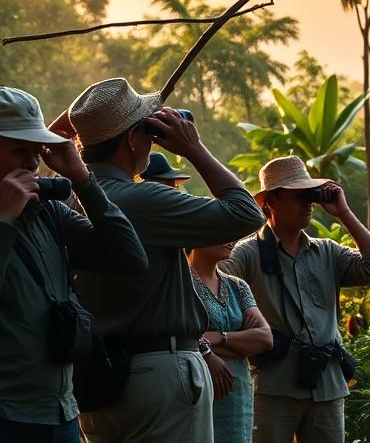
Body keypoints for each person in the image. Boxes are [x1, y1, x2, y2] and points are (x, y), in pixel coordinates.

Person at [68, 78, 265, 443]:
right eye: (147, 129)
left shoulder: (64, 200)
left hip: (95, 378)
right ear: (131, 140)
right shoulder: (141, 200)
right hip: (159, 374)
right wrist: (194, 149)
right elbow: (246, 213)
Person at [0, 87, 148, 443]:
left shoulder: (47, 211)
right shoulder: (14, 211)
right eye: (19, 151)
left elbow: (128, 257)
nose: (32, 165)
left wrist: (82, 179)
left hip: (61, 411)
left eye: (36, 153)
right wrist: (4, 219)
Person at [221, 156, 370, 443]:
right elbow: (208, 280)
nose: (308, 203)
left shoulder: (328, 252)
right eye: (298, 195)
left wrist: (344, 213)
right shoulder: (248, 253)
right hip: (273, 386)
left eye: (310, 195)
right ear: (271, 203)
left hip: (327, 386)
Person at [189, 241, 273, 443]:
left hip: (238, 395)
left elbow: (265, 338)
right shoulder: (180, 282)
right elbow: (182, 339)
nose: (231, 239)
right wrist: (208, 353)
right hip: (197, 389)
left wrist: (217, 338)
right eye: (221, 231)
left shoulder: (237, 286)